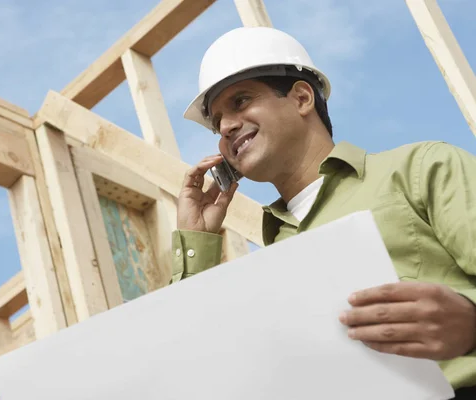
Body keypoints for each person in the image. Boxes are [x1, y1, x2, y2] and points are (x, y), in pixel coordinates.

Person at [171, 26, 476, 398]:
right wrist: (196, 239)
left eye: (240, 101)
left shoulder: (421, 168)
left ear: (301, 98)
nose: (226, 127)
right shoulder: (269, 262)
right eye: (217, 122)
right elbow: (199, 369)